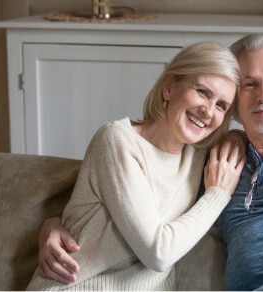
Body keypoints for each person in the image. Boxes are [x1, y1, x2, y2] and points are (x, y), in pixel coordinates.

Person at [38, 33, 263, 291]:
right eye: (249, 85)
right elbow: (120, 195)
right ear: (236, 105)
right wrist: (52, 222)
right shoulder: (212, 164)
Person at [26, 41, 245, 290]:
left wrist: (236, 137)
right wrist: (218, 195)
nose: (207, 111)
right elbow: (158, 253)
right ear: (169, 87)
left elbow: (261, 141)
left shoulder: (199, 155)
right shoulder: (117, 141)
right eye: (203, 92)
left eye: (221, 106)